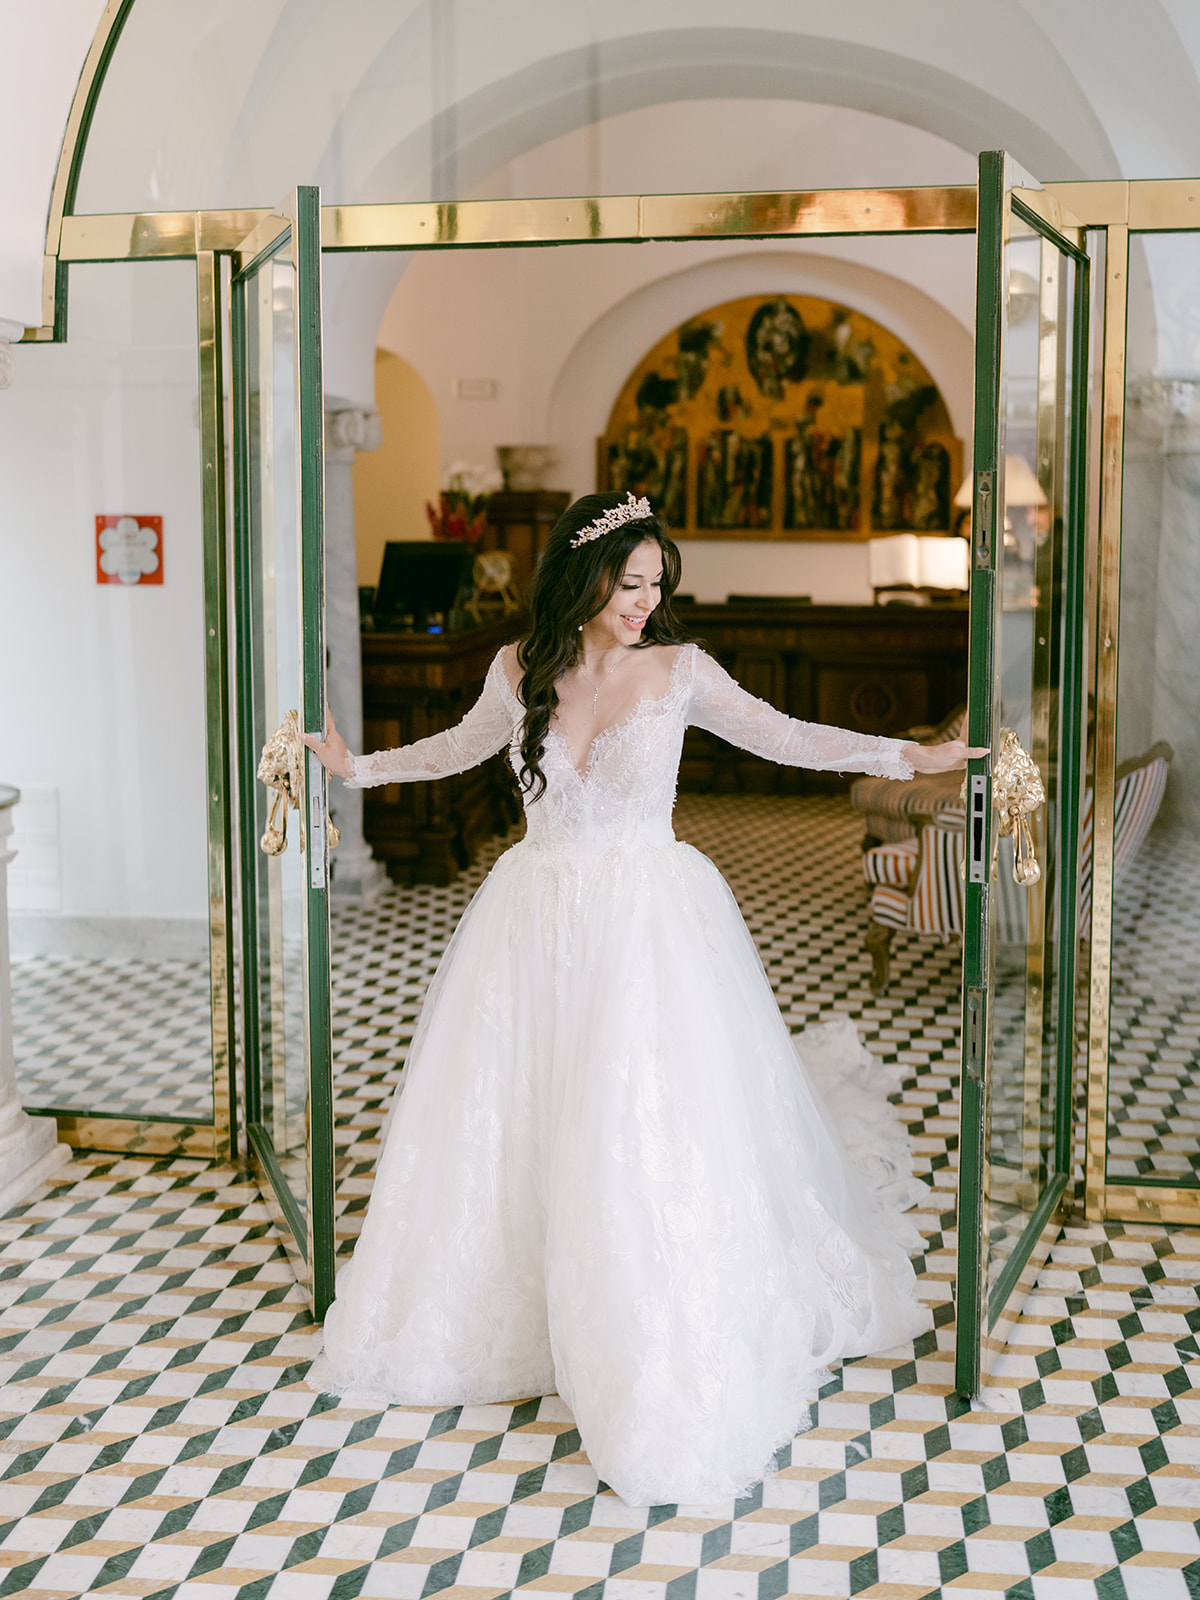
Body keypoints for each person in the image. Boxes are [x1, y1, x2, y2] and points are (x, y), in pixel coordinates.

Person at [302, 491, 984, 1507]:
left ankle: (640, 1317)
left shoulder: (681, 669)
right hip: (532, 919)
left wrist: (905, 756)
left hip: (649, 926)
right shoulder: (517, 669)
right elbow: (455, 746)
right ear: (583, 577)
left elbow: (786, 736)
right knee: (520, 1109)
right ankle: (522, 1296)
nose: (643, 603)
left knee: (634, 1116)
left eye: (656, 586)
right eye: (629, 584)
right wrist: (356, 768)